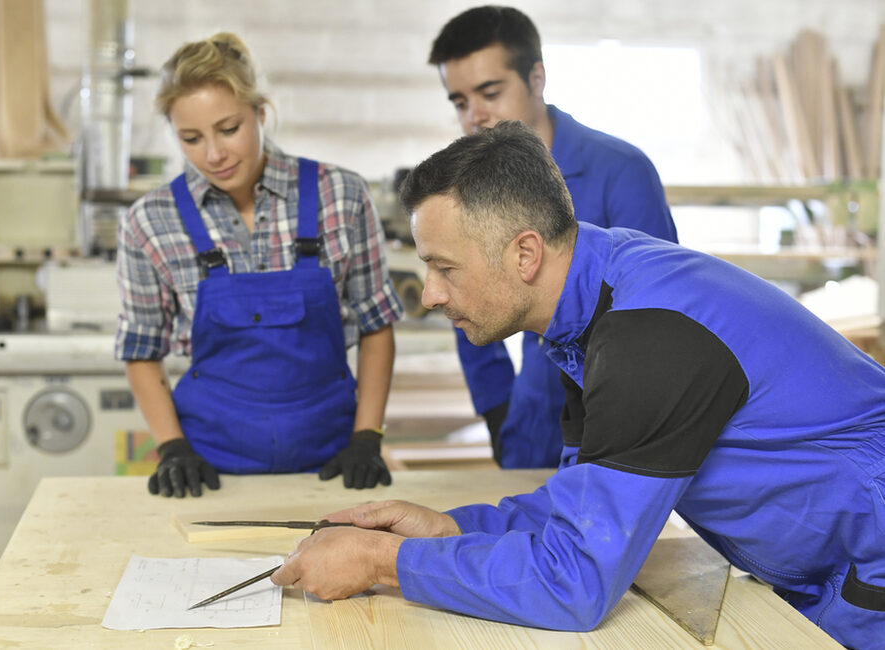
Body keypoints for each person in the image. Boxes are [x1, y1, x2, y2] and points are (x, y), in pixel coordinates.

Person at [270, 123, 885, 650]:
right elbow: (582, 507)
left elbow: (578, 583)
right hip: (823, 571)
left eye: (444, 267)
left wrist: (384, 561)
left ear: (525, 254)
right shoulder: (590, 304)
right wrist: (453, 530)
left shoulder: (646, 340)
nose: (428, 294)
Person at [115, 33, 404, 496]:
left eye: (229, 129)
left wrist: (368, 437)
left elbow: (376, 325)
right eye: (191, 138)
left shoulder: (341, 195)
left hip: (333, 467)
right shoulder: (150, 221)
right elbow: (141, 349)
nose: (213, 155)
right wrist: (172, 448)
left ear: (261, 114)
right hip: (209, 472)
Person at [428, 6, 677, 468]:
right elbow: (459, 296)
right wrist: (497, 408)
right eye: (460, 102)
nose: (475, 116)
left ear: (536, 77)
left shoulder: (619, 172)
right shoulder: (467, 187)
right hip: (530, 417)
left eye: (490, 92)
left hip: (616, 415)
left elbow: (656, 313)